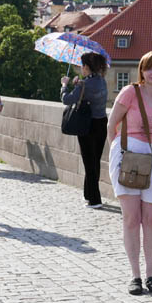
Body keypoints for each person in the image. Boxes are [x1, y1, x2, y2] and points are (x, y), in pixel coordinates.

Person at [107, 51, 152, 295]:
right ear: (142, 71)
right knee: (130, 217)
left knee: (151, 218)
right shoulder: (130, 92)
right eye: (150, 68)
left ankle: (151, 274)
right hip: (129, 154)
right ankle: (135, 275)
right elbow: (111, 125)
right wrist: (120, 151)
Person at [61, 52, 109, 208]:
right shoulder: (102, 81)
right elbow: (89, 95)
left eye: (82, 66)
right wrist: (78, 85)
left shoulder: (84, 84)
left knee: (88, 161)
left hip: (87, 125)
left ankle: (95, 200)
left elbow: (66, 99)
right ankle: (88, 194)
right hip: (102, 123)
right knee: (95, 160)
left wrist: (64, 85)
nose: (81, 68)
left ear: (87, 67)